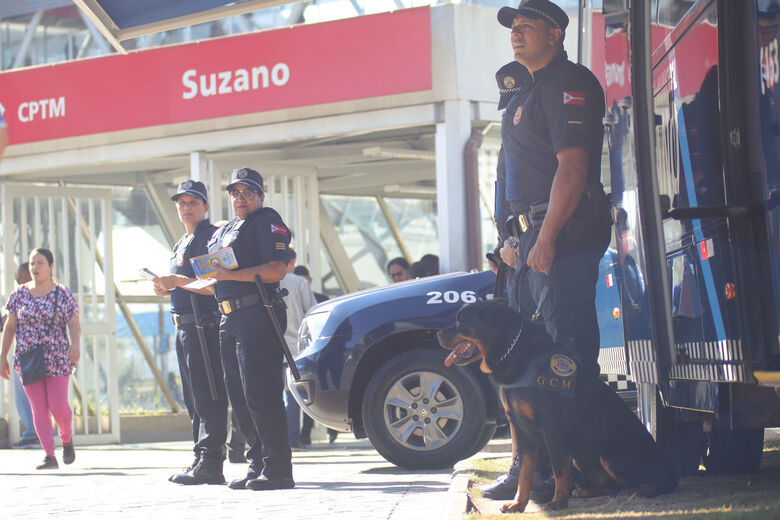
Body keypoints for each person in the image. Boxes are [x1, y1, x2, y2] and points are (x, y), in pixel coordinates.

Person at [485, 0, 612, 502]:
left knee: (566, 359)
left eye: (527, 26)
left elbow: (573, 169)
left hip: (560, 238)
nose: (516, 33)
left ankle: (589, 469)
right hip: (528, 241)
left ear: (556, 33)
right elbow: (512, 175)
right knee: (527, 365)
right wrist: (510, 240)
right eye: (513, 27)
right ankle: (533, 470)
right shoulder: (527, 91)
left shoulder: (568, 82)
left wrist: (546, 237)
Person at [208, 167, 294, 491]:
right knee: (240, 397)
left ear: (260, 195)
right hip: (228, 316)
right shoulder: (229, 228)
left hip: (257, 313)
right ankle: (257, 463)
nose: (240, 198)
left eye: (247, 192)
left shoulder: (266, 221)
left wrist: (229, 277)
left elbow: (276, 270)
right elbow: (218, 274)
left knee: (261, 393)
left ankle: (278, 469)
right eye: (235, 192)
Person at [153, 180, 229, 485]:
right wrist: (166, 285)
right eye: (181, 203)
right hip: (183, 325)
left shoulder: (209, 238)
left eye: (192, 203)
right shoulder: (182, 241)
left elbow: (214, 286)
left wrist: (177, 281)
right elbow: (183, 283)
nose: (186, 208)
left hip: (203, 325)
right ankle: (201, 456)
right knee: (193, 396)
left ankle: (212, 460)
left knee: (208, 392)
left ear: (205, 207)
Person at [0, 248, 81, 469]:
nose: (35, 267)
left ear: (51, 266)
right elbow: (9, 327)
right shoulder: (18, 295)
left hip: (57, 356)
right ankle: (49, 455)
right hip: (28, 359)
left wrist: (75, 344)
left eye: (40, 263)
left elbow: (73, 323)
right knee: (38, 408)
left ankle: (66, 439)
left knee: (58, 406)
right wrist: (3, 356)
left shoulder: (62, 293)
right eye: (32, 263)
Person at [292, 264, 339, 444]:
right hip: (307, 349)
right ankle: (303, 434)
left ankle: (322, 430)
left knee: (315, 389)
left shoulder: (322, 299)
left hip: (315, 350)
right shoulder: (319, 299)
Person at [279, 248, 318, 450]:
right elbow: (311, 313)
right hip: (294, 349)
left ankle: (273, 438)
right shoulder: (299, 283)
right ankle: (292, 438)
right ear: (292, 262)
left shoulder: (265, 280)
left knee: (270, 395)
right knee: (292, 397)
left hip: (269, 348)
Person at [5, 263, 40, 449]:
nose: (20, 278)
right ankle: (32, 433)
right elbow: (8, 323)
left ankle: (35, 434)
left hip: (39, 354)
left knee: (37, 396)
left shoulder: (43, 294)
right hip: (24, 354)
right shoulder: (19, 296)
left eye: (23, 274)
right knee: (24, 394)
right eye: (19, 275)